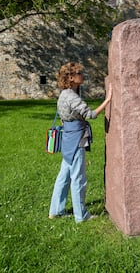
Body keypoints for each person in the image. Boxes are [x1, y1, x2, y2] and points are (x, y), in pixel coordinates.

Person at [48, 62, 112, 222]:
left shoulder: (64, 94)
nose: (82, 75)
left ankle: (55, 210)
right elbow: (90, 114)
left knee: (64, 177)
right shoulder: (71, 96)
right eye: (79, 73)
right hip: (76, 140)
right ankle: (81, 215)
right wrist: (108, 100)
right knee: (78, 179)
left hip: (68, 139)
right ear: (71, 77)